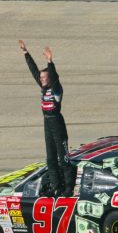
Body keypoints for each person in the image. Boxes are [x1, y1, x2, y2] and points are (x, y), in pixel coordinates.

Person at [19, 40, 75, 197]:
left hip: (57, 122)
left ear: (50, 78)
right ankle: (56, 186)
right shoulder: (43, 85)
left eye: (44, 78)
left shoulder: (56, 89)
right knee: (50, 157)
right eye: (41, 78)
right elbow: (34, 71)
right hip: (47, 122)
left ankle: (68, 187)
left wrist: (50, 61)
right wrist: (26, 53)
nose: (41, 79)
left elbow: (55, 77)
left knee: (62, 156)